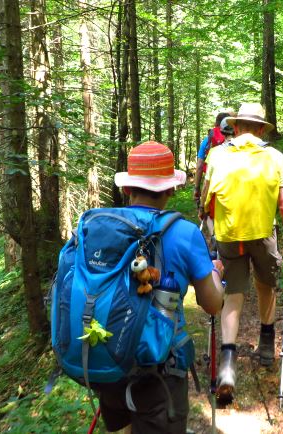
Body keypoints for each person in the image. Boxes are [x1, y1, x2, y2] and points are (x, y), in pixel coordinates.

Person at [95, 141, 225, 433]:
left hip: (108, 360)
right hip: (160, 372)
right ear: (170, 189)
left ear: (128, 189)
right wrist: (215, 273)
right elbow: (212, 303)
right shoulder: (185, 233)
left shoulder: (105, 228)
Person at [199, 103, 283, 401]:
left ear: (238, 127)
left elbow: (207, 199)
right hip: (263, 233)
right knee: (266, 285)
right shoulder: (275, 157)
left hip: (229, 235)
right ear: (261, 129)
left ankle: (227, 366)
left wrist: (210, 226)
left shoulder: (217, 155)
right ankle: (267, 345)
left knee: (234, 295)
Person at [193, 111, 232, 210]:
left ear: (216, 123)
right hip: (232, 180)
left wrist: (197, 188)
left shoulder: (208, 138)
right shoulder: (236, 138)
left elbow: (199, 166)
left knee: (210, 212)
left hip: (212, 179)